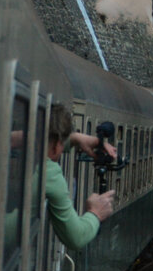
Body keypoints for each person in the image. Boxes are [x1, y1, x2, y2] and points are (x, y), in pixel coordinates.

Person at [42, 103, 116, 250]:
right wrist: (95, 213)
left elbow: (12, 139)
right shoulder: (49, 172)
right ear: (57, 145)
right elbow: (77, 237)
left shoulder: (30, 155)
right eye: (63, 144)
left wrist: (74, 138)